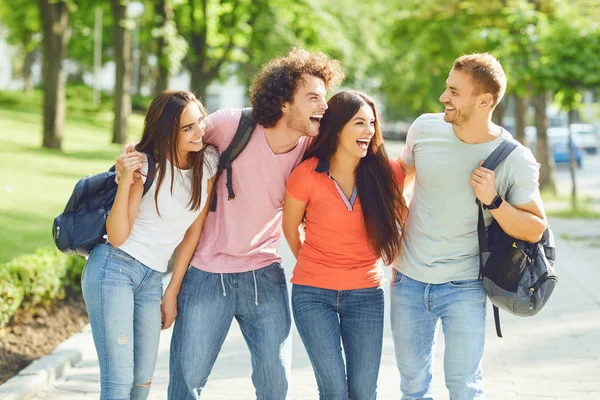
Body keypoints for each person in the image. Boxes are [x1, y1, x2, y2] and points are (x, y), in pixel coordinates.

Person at [154, 48, 345, 399]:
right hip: (206, 274)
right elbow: (174, 141)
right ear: (285, 103)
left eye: (325, 96)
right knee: (186, 382)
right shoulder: (231, 126)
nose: (324, 105)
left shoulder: (312, 147)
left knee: (276, 383)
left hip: (264, 274)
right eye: (313, 97)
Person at [390, 53, 548, 399]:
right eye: (447, 88)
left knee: (465, 387)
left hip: (464, 287)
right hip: (408, 281)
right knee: (413, 388)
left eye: (454, 91)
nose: (444, 97)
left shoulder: (514, 158)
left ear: (485, 101)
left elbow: (535, 228)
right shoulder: (425, 128)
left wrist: (493, 200)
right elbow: (402, 177)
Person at [81, 90, 219, 400]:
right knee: (118, 382)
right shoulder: (145, 165)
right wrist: (126, 179)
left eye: (200, 122)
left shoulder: (207, 162)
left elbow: (192, 234)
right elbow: (117, 235)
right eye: (188, 128)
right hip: (113, 267)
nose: (199, 133)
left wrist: (172, 291)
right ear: (167, 131)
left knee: (142, 383)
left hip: (152, 279)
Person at [282, 90, 407, 399]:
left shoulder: (384, 174)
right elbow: (289, 227)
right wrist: (313, 264)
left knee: (364, 392)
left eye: (372, 124)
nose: (369, 131)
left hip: (365, 295)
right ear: (337, 127)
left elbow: (420, 170)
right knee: (334, 390)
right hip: (313, 296)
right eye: (359, 123)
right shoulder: (306, 174)